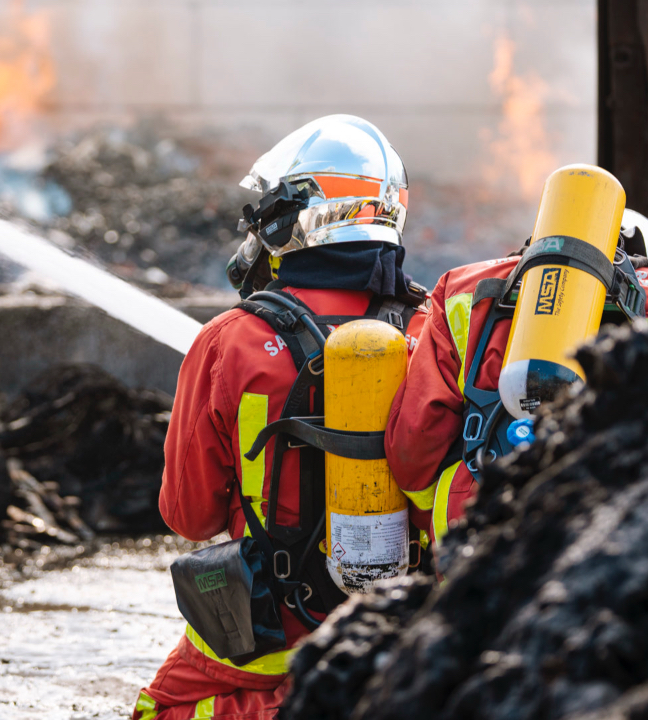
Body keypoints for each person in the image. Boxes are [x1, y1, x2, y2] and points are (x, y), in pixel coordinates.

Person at [132, 115, 431, 720]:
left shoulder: (229, 341)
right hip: (408, 642)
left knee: (159, 707)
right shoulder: (435, 333)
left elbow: (189, 516)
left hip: (268, 641)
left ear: (292, 220)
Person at [385, 208, 648, 546]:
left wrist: (438, 526)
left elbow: (414, 443)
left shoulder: (463, 290)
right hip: (614, 542)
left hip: (478, 541)